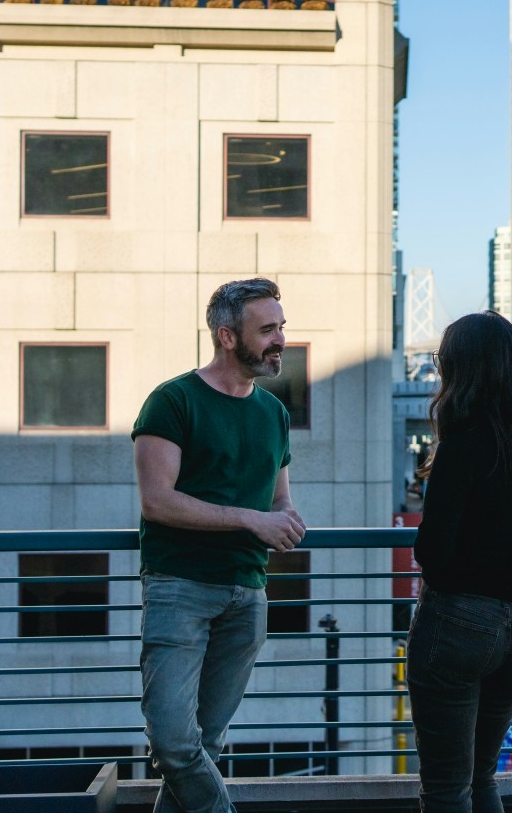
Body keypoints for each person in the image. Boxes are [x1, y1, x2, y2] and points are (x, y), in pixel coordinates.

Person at [132, 278, 306, 813]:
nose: (280, 339)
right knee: (172, 742)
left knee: (202, 744)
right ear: (227, 337)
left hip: (247, 595)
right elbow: (157, 503)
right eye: (268, 329)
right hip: (180, 588)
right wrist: (250, 520)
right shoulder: (172, 400)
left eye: (281, 327)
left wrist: (284, 521)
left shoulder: (273, 413)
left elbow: (278, 501)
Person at [408, 311, 512, 813]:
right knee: (482, 779)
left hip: (459, 624)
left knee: (447, 789)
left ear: (462, 369)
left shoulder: (462, 445)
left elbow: (432, 553)